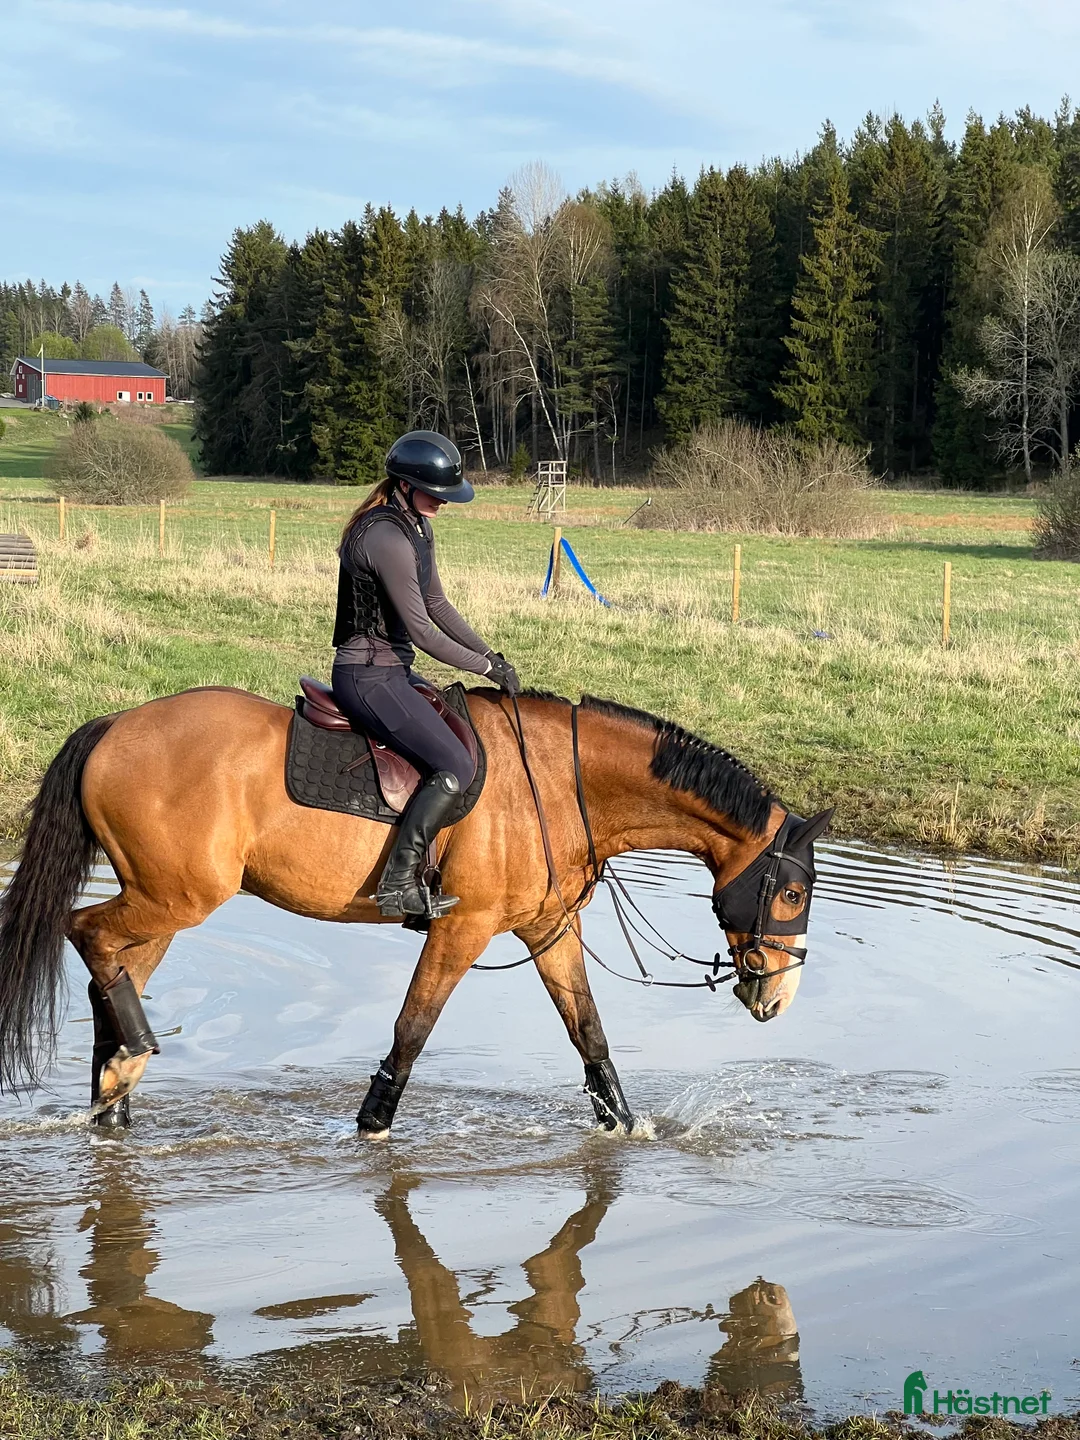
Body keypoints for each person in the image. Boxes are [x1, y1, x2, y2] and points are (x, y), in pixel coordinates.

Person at [332, 430, 520, 919]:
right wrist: (480, 667)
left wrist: (490, 654)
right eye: (434, 493)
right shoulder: (385, 536)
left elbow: (437, 603)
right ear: (404, 484)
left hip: (394, 670)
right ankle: (397, 884)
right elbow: (421, 630)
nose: (441, 502)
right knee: (455, 766)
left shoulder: (416, 527)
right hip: (367, 675)